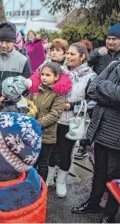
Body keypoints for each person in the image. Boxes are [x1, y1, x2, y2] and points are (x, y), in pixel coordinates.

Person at [71, 60, 120, 223]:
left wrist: (104, 89)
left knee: (114, 176)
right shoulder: (114, 65)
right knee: (99, 172)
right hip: (101, 129)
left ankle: (110, 214)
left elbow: (117, 94)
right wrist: (109, 94)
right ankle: (94, 203)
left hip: (117, 135)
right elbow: (92, 90)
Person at [48, 43, 96, 197]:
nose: (68, 57)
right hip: (53, 118)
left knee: (65, 151)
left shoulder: (90, 76)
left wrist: (73, 106)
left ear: (82, 57)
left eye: (72, 54)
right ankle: (49, 178)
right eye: (67, 53)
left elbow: (93, 101)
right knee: (50, 150)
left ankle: (61, 182)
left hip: (70, 121)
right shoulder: (59, 71)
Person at [28, 62, 72, 182]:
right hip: (32, 132)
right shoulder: (36, 89)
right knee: (31, 161)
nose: (44, 77)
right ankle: (29, 184)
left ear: (56, 77)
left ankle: (41, 186)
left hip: (46, 134)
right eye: (42, 74)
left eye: (48, 75)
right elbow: (28, 104)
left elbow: (55, 114)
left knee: (42, 163)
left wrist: (37, 123)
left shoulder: (59, 94)